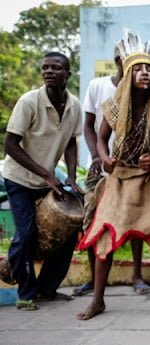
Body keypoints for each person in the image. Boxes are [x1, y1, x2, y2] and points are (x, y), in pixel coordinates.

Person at [77, 30, 150, 320]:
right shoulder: (114, 107)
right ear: (127, 74)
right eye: (138, 68)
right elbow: (100, 138)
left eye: (148, 68)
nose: (144, 73)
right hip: (121, 177)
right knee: (105, 235)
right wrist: (104, 157)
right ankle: (98, 300)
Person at [2, 51, 82, 311]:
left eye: (55, 68)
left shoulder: (74, 106)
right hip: (19, 179)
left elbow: (71, 142)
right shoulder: (29, 102)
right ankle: (26, 293)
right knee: (26, 235)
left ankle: (47, 289)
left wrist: (70, 176)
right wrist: (47, 174)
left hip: (46, 180)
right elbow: (10, 145)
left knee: (69, 231)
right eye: (45, 67)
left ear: (67, 75)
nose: (48, 71)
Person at [75, 45, 150, 297]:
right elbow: (89, 127)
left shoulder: (144, 92)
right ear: (118, 60)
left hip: (129, 169)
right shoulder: (99, 86)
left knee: (135, 219)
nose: (127, 62)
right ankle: (93, 279)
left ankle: (138, 276)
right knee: (93, 221)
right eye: (123, 58)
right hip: (100, 167)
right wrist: (98, 156)